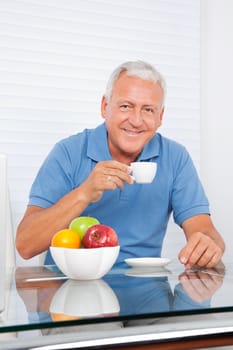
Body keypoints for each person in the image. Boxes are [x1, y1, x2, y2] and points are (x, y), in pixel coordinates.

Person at [16, 60, 225, 268]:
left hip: (144, 291)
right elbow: (26, 245)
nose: (136, 120)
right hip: (71, 288)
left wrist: (209, 245)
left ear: (160, 117)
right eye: (126, 106)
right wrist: (83, 193)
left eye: (148, 110)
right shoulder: (68, 152)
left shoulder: (175, 157)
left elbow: (204, 230)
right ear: (105, 107)